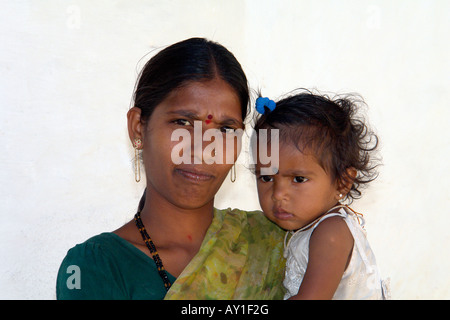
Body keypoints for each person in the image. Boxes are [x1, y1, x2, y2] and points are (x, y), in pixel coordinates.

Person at [56, 38, 285, 300]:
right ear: (138, 128)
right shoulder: (95, 267)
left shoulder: (275, 244)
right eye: (183, 122)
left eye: (225, 129)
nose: (204, 149)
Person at [252, 90, 390, 299]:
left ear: (342, 182)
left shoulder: (331, 233)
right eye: (266, 178)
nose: (278, 194)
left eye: (298, 179)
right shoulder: (309, 227)